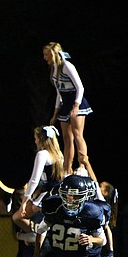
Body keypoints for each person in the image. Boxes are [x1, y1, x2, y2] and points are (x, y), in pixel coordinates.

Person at [43, 42, 93, 175]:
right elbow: (59, 93)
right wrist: (55, 113)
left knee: (77, 134)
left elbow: (80, 87)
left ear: (53, 54)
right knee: (66, 138)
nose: (45, 57)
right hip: (65, 103)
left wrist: (76, 105)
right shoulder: (53, 68)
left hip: (75, 101)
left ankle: (82, 166)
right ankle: (67, 169)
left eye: (47, 54)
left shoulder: (67, 66)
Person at [13, 125, 64, 233]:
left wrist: (24, 201)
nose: (35, 141)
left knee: (17, 217)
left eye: (36, 138)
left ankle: (35, 235)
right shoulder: (59, 154)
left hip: (46, 196)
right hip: (59, 194)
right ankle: (38, 236)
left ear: (41, 139)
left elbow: (34, 180)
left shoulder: (42, 154)